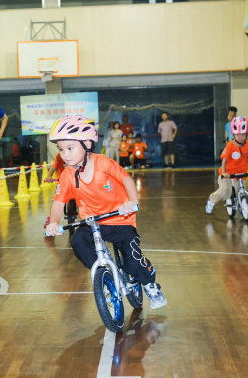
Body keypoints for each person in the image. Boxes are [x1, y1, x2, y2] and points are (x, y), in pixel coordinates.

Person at [45, 115, 167, 310]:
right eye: (61, 149)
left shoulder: (104, 163)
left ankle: (151, 285)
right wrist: (54, 221)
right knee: (78, 240)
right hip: (94, 223)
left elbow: (127, 179)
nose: (65, 154)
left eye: (70, 148)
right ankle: (105, 275)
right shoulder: (67, 175)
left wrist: (132, 201)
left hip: (121, 219)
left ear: (86, 144)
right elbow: (59, 202)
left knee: (132, 256)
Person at [205, 117, 248, 214]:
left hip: (241, 173)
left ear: (247, 133)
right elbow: (224, 160)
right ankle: (211, 201)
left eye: (243, 134)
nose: (240, 137)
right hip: (227, 173)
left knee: (241, 190)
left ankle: (242, 205)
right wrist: (224, 173)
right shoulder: (230, 145)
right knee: (224, 191)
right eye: (237, 134)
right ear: (233, 134)